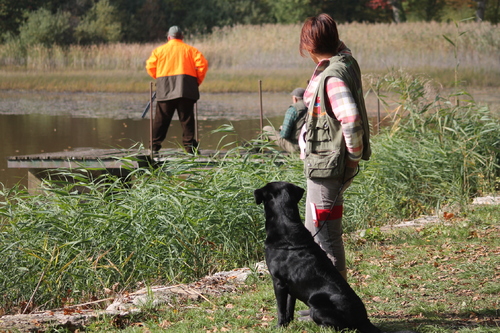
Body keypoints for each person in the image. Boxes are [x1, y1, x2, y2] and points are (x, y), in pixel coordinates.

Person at [298, 13, 372, 282]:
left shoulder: (332, 76)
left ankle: (339, 306)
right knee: (316, 232)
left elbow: (350, 120)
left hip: (328, 169)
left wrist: (352, 160)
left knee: (326, 237)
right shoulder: (345, 61)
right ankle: (322, 301)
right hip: (325, 166)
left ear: (307, 46)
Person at [145, 25, 208, 154]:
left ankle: (154, 147)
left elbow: (150, 67)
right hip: (186, 88)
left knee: (161, 119)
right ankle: (190, 148)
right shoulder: (191, 50)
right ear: (182, 37)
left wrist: (161, 79)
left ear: (169, 37)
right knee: (187, 119)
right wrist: (196, 82)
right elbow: (202, 66)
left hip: (165, 88)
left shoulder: (159, 51)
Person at [262, 88, 307, 153]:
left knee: (266, 129)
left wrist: (282, 129)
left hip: (295, 147)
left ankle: (257, 149)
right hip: (308, 146)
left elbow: (284, 135)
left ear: (295, 98)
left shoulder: (293, 109)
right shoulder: (311, 107)